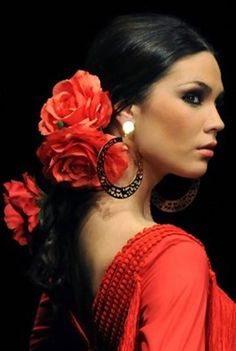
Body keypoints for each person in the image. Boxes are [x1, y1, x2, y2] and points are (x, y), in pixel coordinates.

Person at [2, 13, 236, 351]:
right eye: (193, 97)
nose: (217, 122)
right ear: (126, 109)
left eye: (217, 102)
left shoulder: (72, 230)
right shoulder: (173, 258)